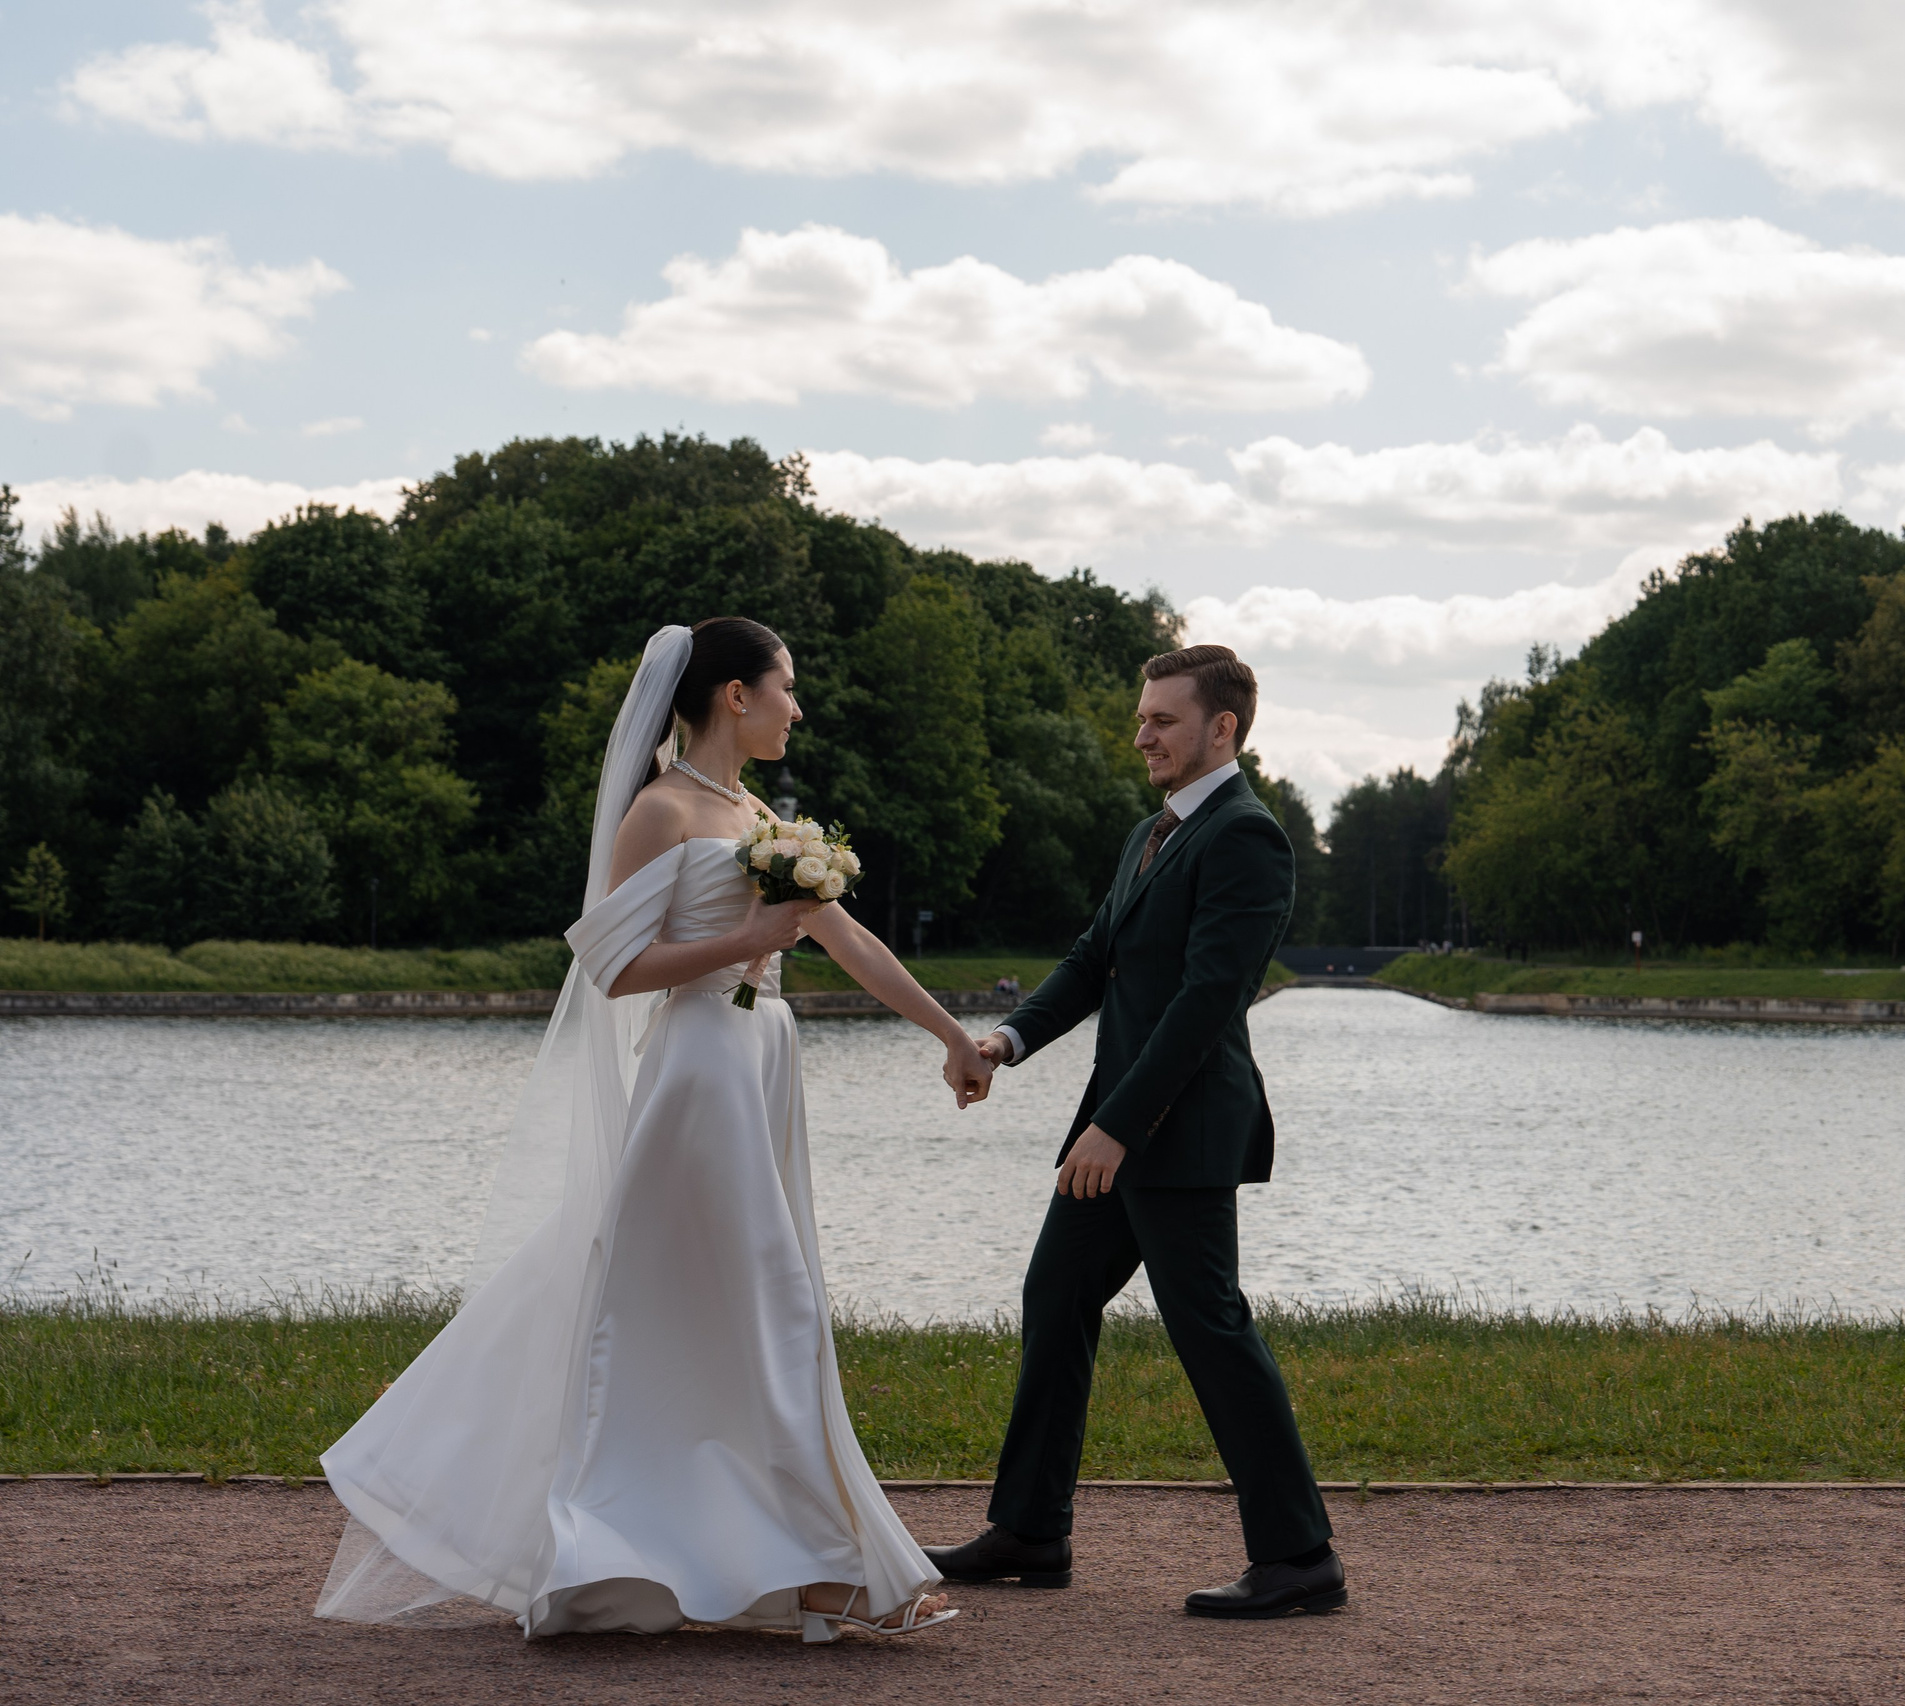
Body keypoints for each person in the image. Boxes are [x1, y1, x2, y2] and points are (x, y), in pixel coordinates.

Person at [315, 618, 992, 1642]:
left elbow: (844, 934)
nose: (796, 706)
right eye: (786, 687)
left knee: (738, 1309)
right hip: (699, 1071)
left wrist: (950, 1034)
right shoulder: (662, 810)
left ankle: (769, 1558)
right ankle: (817, 1568)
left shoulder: (757, 810)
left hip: (761, 1062)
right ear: (733, 694)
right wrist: (747, 937)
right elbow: (613, 968)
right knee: (774, 1307)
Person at [925, 644, 1343, 1619]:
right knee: (1056, 1292)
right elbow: (1090, 959)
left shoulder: (1246, 837)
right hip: (1121, 1132)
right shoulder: (1146, 834)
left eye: (1162, 718)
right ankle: (1031, 1527)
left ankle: (1299, 1555)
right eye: (1141, 715)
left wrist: (1116, 1124)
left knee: (1209, 1326)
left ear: (1222, 727)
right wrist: (1006, 1036)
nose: (1142, 732)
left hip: (1178, 1131)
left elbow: (1205, 1002)